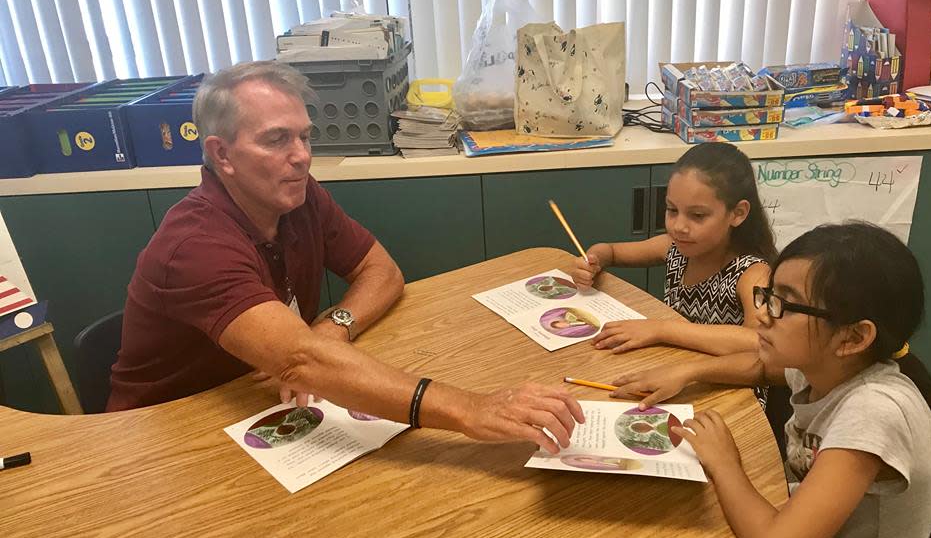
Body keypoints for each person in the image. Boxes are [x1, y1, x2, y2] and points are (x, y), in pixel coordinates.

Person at [108, 61, 583, 452]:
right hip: (166, 437)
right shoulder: (194, 245)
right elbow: (301, 364)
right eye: (276, 140)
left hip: (260, 407)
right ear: (223, 155)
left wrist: (330, 329)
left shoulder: (296, 195)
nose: (301, 156)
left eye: (305, 137)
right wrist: (470, 409)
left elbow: (382, 270)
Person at [659, 223, 931, 538]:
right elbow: (762, 368)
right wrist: (689, 373)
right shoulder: (828, 365)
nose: (763, 315)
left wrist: (725, 461)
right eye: (768, 295)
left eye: (784, 304)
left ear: (852, 338)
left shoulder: (874, 412)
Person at [572, 142, 774, 401]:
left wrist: (661, 330)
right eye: (672, 210)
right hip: (674, 373)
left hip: (728, 391)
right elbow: (610, 251)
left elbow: (759, 341)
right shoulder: (674, 248)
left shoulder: (752, 273)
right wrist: (592, 260)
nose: (679, 226)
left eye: (697, 215)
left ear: (738, 213)